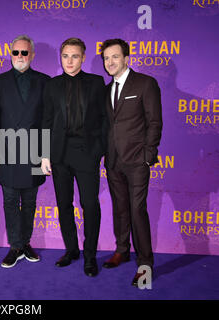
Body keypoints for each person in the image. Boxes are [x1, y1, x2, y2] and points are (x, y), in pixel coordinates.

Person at [41, 38, 107, 277]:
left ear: (83, 57)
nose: (69, 61)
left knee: (90, 205)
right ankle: (72, 250)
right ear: (61, 57)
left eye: (75, 56)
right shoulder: (52, 85)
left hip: (86, 152)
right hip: (59, 154)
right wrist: (44, 155)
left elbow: (104, 120)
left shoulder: (97, 83)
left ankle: (90, 255)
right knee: (64, 205)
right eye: (66, 56)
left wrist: (98, 151)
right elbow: (46, 121)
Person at [100, 38, 162, 287]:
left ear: (126, 58)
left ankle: (145, 264)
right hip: (113, 161)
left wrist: (148, 156)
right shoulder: (107, 90)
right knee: (120, 209)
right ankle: (122, 250)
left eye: (115, 56)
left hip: (137, 161)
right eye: (106, 58)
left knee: (137, 211)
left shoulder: (146, 83)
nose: (110, 62)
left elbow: (154, 122)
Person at [0, 35, 50, 268]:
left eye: (25, 53)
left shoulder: (46, 81)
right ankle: (15, 246)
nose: (20, 57)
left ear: (32, 55)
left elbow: (47, 120)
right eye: (16, 52)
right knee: (11, 200)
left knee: (30, 201)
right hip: (7, 147)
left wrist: (45, 154)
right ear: (10, 53)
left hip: (34, 147)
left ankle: (25, 242)